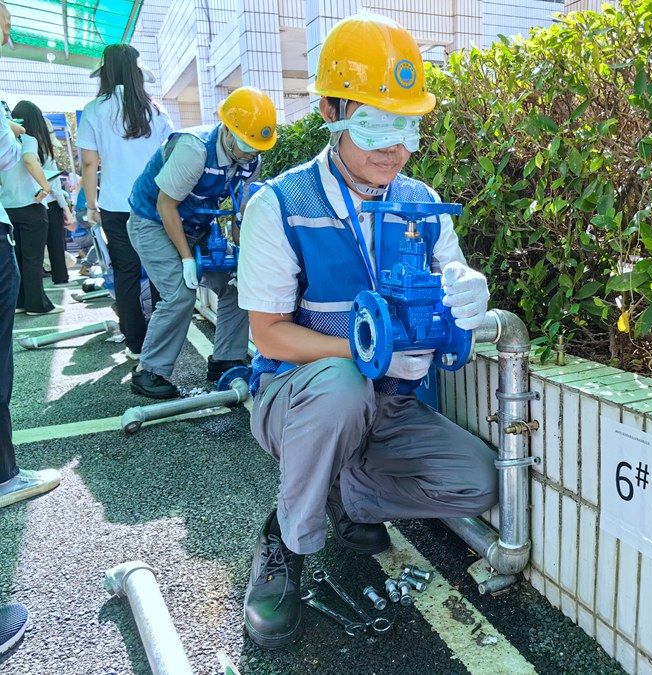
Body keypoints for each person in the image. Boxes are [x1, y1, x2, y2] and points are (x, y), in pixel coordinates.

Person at [236, 13, 496, 649]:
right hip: (298, 396)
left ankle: (348, 494)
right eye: (377, 124)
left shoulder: (421, 200)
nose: (395, 147)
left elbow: (450, 271)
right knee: (345, 386)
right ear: (329, 110)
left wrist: (467, 284)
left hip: (394, 405)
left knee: (477, 483)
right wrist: (355, 347)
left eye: (408, 126)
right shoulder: (281, 204)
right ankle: (286, 544)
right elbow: (268, 334)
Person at [127, 86, 275, 398]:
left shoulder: (250, 161)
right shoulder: (194, 149)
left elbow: (239, 215)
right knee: (180, 293)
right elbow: (165, 206)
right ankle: (149, 371)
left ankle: (226, 360)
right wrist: (186, 259)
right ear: (228, 129)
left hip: (197, 225)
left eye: (258, 147)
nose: (252, 152)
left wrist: (242, 258)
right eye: (248, 143)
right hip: (152, 221)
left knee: (237, 286)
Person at [0, 0, 61, 509]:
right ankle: (4, 473)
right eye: (4, 26)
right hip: (17, 211)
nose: (7, 37)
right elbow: (9, 156)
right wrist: (48, 191)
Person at [77, 43, 173, 361]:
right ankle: (163, 341)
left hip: (115, 205)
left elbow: (90, 164)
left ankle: (135, 343)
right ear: (136, 72)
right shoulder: (156, 112)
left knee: (126, 273)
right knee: (159, 271)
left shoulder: (95, 110)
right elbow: (172, 159)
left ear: (106, 72)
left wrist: (90, 205)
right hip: (156, 204)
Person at [1, 100, 61, 315]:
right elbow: (29, 160)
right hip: (31, 204)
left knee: (15, 259)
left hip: (7, 208)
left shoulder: (3, 145)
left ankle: (20, 302)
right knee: (33, 258)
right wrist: (45, 187)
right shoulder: (27, 139)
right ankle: (37, 305)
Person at [42, 119, 75, 286]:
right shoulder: (45, 154)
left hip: (32, 204)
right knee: (56, 244)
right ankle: (60, 277)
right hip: (51, 203)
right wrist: (66, 209)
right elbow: (54, 187)